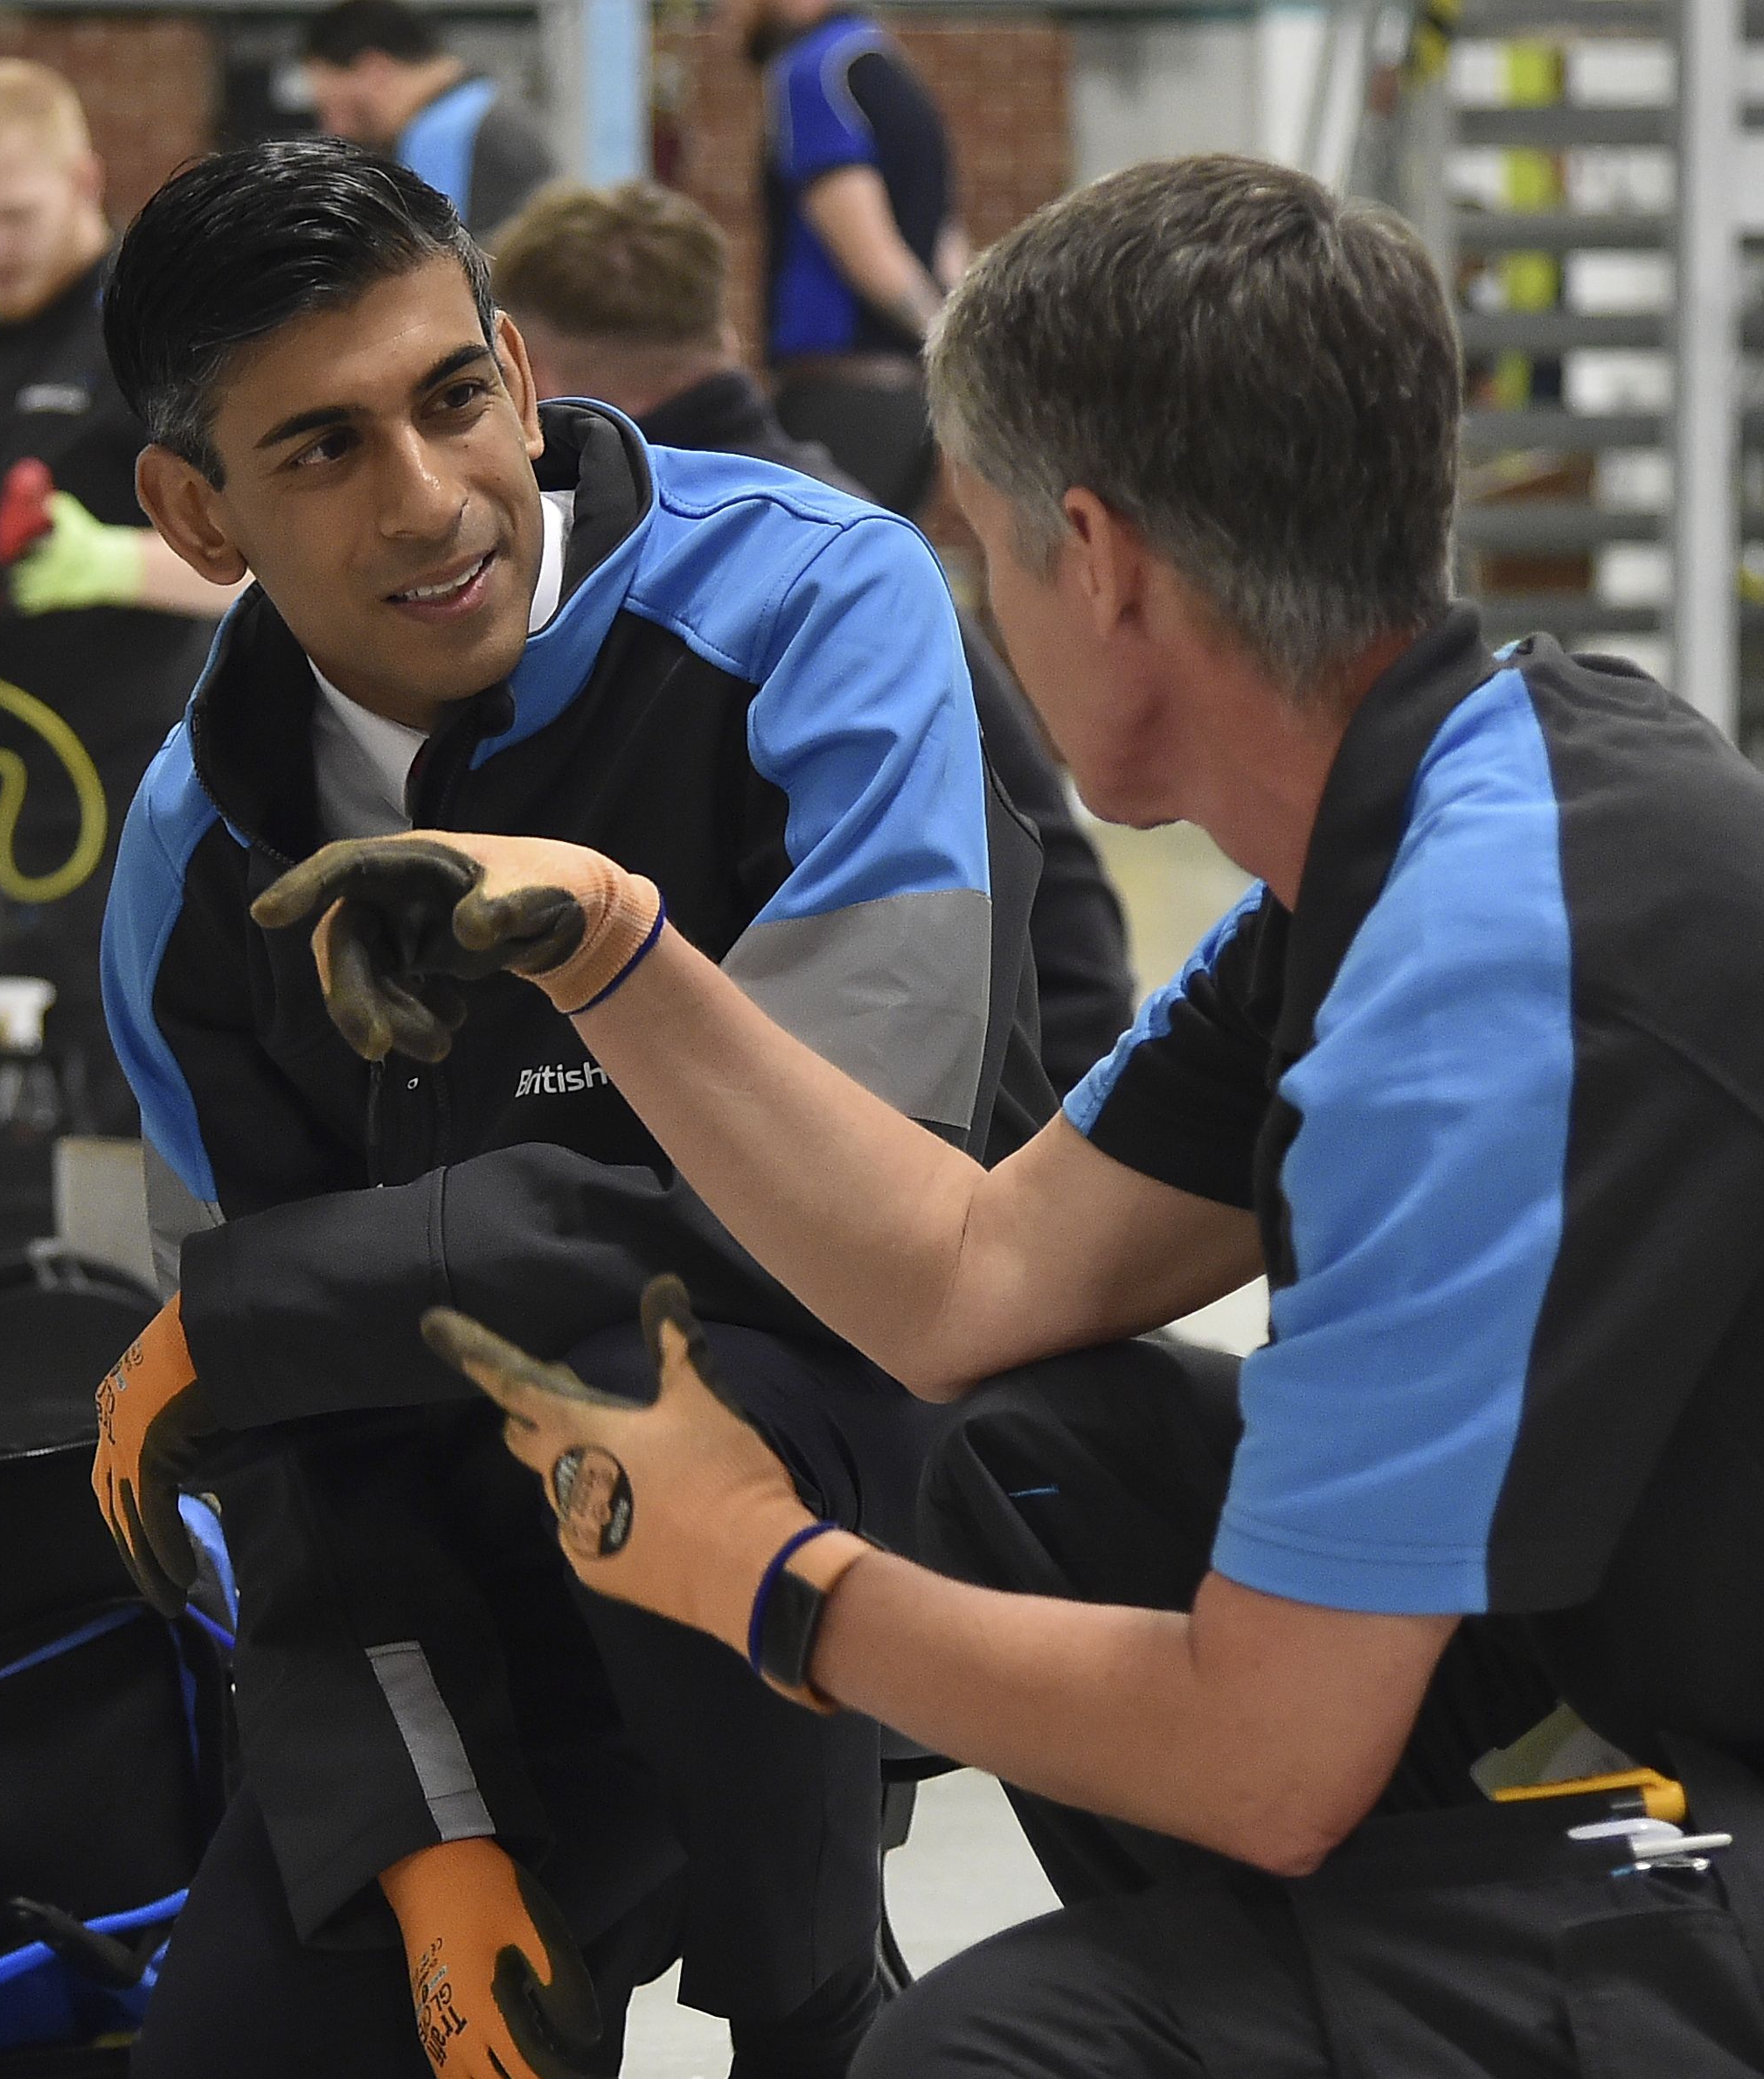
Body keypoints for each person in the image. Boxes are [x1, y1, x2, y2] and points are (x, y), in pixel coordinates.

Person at [261, 153, 1764, 2078]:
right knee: (1020, 1452)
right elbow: (969, 1275)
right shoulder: (1445, 811)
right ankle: (1364, 1972)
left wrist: (764, 1580)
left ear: (1097, 559)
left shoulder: (1476, 986)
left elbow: (1265, 1754)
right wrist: (610, 948)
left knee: (1000, 2050)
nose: (983, 606)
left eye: (983, 547)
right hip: (1696, 1669)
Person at [87, 138, 1058, 2078]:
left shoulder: (819, 608)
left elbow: (852, 1210)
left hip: (850, 1481)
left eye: (456, 401)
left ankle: (811, 1996)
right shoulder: (191, 870)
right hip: (469, 1585)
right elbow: (300, 1460)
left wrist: (280, 1299)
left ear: (524, 378)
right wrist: (427, 1835)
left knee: (660, 1375)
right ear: (197, 513)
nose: (434, 499)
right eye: (323, 450)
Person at [487, 180, 1136, 1091]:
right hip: (1053, 1054)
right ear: (723, 339)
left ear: (531, 383)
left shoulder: (745, 569)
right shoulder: (828, 523)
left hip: (981, 1111)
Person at [0, 60, 240, 1136]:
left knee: (146, 1096)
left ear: (83, 177)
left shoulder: (160, 345)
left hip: (146, 792)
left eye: (15, 215)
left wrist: (118, 564)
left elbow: (273, 569)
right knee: (29, 1112)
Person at [732, 0, 956, 516]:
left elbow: (872, 257)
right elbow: (944, 246)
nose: (725, 12)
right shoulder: (888, 67)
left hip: (842, 401)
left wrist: (954, 357)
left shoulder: (811, 71)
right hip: (906, 402)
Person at [299, 0, 558, 240]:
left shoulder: (447, 135)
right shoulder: (488, 113)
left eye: (331, 107)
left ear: (375, 71)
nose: (333, 129)